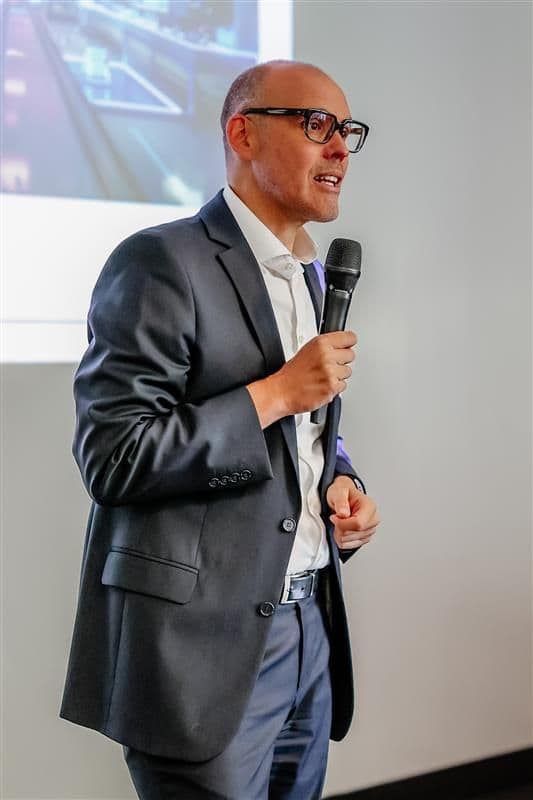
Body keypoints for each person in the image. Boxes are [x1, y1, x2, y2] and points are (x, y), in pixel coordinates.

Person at [60, 59, 380, 799]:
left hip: (308, 626)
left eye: (347, 131)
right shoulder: (159, 262)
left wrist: (341, 482)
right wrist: (272, 394)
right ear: (243, 133)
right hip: (200, 648)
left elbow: (307, 434)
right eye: (317, 125)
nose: (340, 148)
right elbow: (114, 456)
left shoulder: (309, 277)